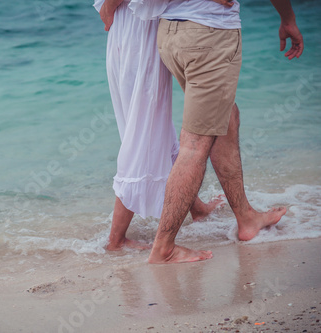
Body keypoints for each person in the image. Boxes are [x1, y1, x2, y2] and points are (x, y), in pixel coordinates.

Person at [147, 0, 303, 264]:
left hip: (170, 33)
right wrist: (288, 19)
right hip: (209, 33)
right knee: (195, 144)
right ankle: (164, 248)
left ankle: (246, 218)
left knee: (226, 116)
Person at [94, 0, 226, 251]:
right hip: (140, 36)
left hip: (126, 33)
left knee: (152, 130)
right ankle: (116, 240)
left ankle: (197, 209)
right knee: (143, 135)